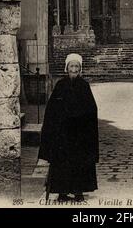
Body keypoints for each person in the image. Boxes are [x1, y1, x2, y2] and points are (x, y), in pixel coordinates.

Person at [38, 53, 99, 202]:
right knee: (62, 163)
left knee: (80, 162)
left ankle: (78, 192)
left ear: (80, 69)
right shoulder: (60, 85)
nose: (74, 69)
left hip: (79, 134)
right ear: (67, 68)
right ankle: (62, 192)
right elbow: (52, 109)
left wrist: (83, 122)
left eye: (76, 66)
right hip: (63, 134)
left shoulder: (84, 86)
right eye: (71, 66)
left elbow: (91, 109)